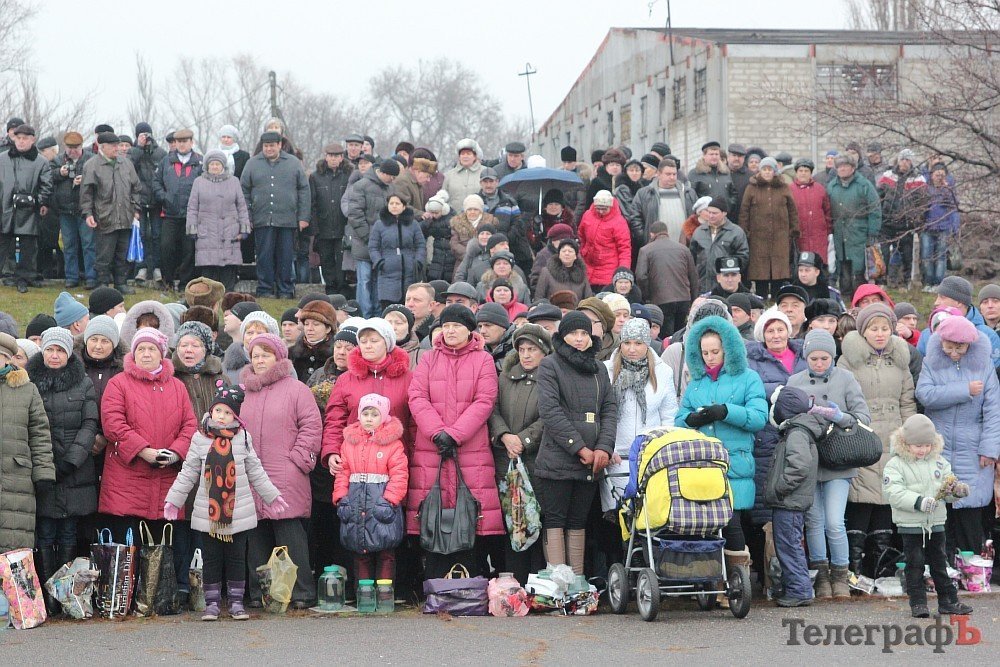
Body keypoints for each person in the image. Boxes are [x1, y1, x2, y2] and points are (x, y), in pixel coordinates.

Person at [165, 382, 287, 621]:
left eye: (228, 412)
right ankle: (211, 603)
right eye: (218, 411)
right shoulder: (200, 438)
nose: (221, 417)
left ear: (236, 416)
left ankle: (236, 602)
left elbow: (255, 470)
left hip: (238, 513)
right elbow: (189, 472)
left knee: (236, 558)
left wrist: (271, 496)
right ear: (211, 412)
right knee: (211, 558)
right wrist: (174, 500)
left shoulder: (242, 438)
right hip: (209, 513)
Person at [98, 328, 197, 600]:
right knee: (131, 540)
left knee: (167, 539)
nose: (145, 353)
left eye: (151, 349)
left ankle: (165, 595)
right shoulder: (119, 383)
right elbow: (113, 424)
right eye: (140, 349)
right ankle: (129, 596)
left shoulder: (177, 387)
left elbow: (190, 425)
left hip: (167, 476)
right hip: (128, 477)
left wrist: (175, 452)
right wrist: (143, 451)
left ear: (161, 354)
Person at [406, 304, 502, 578]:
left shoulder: (483, 360)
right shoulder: (428, 358)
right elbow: (417, 397)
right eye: (445, 326)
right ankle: (436, 585)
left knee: (468, 516)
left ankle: (467, 585)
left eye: (456, 326)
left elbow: (484, 401)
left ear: (470, 330)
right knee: (434, 514)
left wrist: (455, 434)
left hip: (470, 449)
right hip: (432, 447)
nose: (450, 331)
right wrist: (437, 432)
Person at [676, 315, 767, 577]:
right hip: (703, 466)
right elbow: (679, 419)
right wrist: (691, 420)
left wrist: (726, 411)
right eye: (704, 353)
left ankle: (738, 582)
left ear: (727, 349)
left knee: (732, 524)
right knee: (705, 526)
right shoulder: (696, 383)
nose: (710, 357)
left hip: (735, 463)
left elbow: (759, 417)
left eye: (715, 351)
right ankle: (710, 580)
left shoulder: (748, 378)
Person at [787, 329, 871, 599]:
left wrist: (839, 416)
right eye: (813, 358)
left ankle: (840, 576)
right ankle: (821, 577)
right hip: (809, 460)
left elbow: (863, 418)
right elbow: (782, 419)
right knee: (814, 521)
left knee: (834, 522)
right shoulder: (795, 381)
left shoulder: (846, 379)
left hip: (839, 459)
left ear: (832, 357)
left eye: (824, 358)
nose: (819, 363)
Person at [240, 333, 322, 608]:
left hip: (286, 473)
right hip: (252, 473)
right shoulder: (244, 391)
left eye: (266, 354)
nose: (260, 360)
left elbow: (311, 426)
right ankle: (260, 593)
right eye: (255, 355)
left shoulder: (296, 389)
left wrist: (297, 459)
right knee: (257, 535)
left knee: (290, 533)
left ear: (278, 357)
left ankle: (301, 593)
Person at [534, 311, 617, 575]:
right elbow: (550, 411)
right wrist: (579, 447)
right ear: (562, 336)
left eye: (584, 334)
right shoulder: (550, 365)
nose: (579, 339)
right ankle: (559, 582)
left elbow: (609, 409)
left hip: (592, 460)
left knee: (579, 521)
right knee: (556, 519)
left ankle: (578, 581)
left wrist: (604, 448)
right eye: (573, 334)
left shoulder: (599, 368)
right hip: (559, 458)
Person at [916, 316, 1000, 557]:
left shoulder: (984, 367)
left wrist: (990, 449)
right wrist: (964, 390)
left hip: (973, 447)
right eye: (948, 346)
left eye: (959, 347)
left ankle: (972, 567)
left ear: (970, 345)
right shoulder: (931, 363)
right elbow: (924, 395)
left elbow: (994, 411)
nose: (953, 353)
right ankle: (943, 568)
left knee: (969, 510)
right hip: (938, 445)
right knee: (941, 511)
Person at [26, 328, 97, 611]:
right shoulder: (29, 381)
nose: (54, 356)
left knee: (69, 531)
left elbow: (90, 424)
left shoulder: (83, 383)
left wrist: (71, 460)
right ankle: (46, 600)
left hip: (74, 470)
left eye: (60, 351)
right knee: (44, 532)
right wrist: (41, 463)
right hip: (40, 469)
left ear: (69, 354)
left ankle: (66, 597)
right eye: (50, 350)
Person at [883, 414, 974, 618]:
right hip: (911, 523)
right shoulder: (895, 464)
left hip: (936, 522)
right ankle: (918, 603)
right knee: (914, 564)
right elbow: (894, 493)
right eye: (917, 446)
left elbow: (946, 491)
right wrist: (919, 502)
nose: (923, 450)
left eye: (927, 445)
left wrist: (956, 491)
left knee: (940, 563)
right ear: (906, 443)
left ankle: (948, 601)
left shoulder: (940, 463)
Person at [488, 324, 551, 583]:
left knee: (535, 520)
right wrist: (504, 435)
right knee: (510, 522)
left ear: (544, 352)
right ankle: (513, 582)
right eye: (522, 349)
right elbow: (492, 409)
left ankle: (536, 583)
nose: (526, 355)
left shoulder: (550, 378)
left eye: (532, 350)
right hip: (507, 460)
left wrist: (523, 439)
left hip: (536, 461)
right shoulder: (505, 376)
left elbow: (550, 415)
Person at [745, 308, 806, 571]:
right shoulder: (753, 360)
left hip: (803, 435)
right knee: (766, 505)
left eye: (780, 329)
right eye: (770, 330)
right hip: (768, 438)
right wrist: (786, 391)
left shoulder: (803, 355)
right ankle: (766, 569)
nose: (776, 334)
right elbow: (753, 387)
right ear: (762, 335)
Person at [601, 318, 677, 515]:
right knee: (618, 515)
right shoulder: (606, 370)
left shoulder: (663, 372)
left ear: (647, 344)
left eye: (638, 343)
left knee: (647, 515)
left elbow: (668, 415)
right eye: (627, 343)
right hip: (615, 456)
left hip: (649, 457)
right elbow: (602, 413)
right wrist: (607, 447)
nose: (631, 349)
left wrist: (661, 450)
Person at [333, 392, 408, 584]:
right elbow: (343, 472)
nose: (369, 419)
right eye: (365, 414)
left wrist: (390, 500)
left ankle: (384, 593)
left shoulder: (393, 444)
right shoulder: (349, 443)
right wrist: (341, 497)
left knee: (386, 551)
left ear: (383, 417)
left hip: (381, 503)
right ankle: (364, 593)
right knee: (360, 551)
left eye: (374, 414)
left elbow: (399, 474)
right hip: (356, 503)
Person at [764, 385, 821, 608]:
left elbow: (799, 466)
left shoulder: (797, 433)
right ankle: (797, 588)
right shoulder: (797, 431)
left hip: (790, 501)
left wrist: (781, 487)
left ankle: (800, 590)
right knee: (789, 544)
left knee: (789, 545)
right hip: (790, 501)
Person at [0, 332, 55, 552]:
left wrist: (43, 474)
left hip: (16, 479)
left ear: (7, 359)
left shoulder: (26, 390)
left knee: (12, 549)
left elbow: (40, 433)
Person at [240, 131, 311, 300]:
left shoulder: (293, 163)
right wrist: (247, 218)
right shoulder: (252, 164)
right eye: (266, 146)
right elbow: (244, 191)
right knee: (264, 255)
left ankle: (286, 289)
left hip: (287, 219)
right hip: (262, 218)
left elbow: (304, 190)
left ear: (279, 145)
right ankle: (265, 288)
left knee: (286, 256)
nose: (269, 149)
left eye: (272, 145)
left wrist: (303, 217)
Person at [80, 131, 141, 294]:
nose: (118, 148)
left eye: (118, 145)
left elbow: (136, 188)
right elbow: (86, 193)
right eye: (114, 146)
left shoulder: (126, 164)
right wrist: (87, 214)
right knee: (104, 255)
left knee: (122, 253)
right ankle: (102, 284)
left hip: (126, 217)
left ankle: (121, 283)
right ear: (102, 147)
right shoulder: (92, 166)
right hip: (104, 217)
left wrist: (136, 209)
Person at [186, 150, 249, 291]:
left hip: (230, 232)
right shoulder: (199, 182)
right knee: (209, 273)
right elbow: (192, 207)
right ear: (207, 166)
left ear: (223, 166)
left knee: (228, 270)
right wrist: (192, 228)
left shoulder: (234, 182)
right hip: (207, 232)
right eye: (212, 164)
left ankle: (228, 300)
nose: (215, 167)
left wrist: (244, 228)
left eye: (218, 164)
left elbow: (242, 206)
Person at [0, 124, 53, 293]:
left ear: (32, 140)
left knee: (27, 246)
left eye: (25, 139)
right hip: (5, 207)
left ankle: (24, 278)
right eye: (18, 138)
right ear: (13, 138)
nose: (21, 142)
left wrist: (39, 201)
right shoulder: (2, 159)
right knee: (2, 244)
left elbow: (47, 185)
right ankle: (6, 275)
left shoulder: (41, 162)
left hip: (29, 210)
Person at [739, 157, 800, 299]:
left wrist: (793, 230)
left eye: (769, 169)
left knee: (778, 270)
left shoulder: (784, 187)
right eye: (764, 169)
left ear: (774, 171)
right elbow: (744, 212)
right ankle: (761, 298)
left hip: (780, 236)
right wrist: (744, 232)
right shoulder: (751, 188)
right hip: (757, 237)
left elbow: (792, 210)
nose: (767, 172)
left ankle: (776, 298)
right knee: (760, 271)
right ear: (760, 171)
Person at [826, 154, 882, 298]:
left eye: (846, 166)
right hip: (839, 233)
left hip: (859, 233)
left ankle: (860, 297)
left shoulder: (864, 185)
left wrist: (872, 233)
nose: (842, 169)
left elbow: (874, 209)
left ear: (853, 168)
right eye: (839, 166)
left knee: (859, 268)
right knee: (843, 265)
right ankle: (845, 296)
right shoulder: (832, 186)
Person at [154, 128, 203, 290]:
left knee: (189, 250)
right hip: (170, 213)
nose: (181, 145)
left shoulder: (200, 162)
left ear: (191, 142)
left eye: (184, 142)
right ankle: (167, 282)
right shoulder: (166, 161)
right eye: (178, 142)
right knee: (166, 247)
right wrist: (164, 197)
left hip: (192, 215)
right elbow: (156, 183)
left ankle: (185, 284)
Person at [348, 159, 398, 314]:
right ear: (383, 173)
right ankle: (364, 314)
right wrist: (370, 239)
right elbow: (355, 215)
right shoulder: (361, 186)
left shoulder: (390, 188)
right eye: (391, 177)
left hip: (383, 245)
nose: (393, 180)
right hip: (364, 244)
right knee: (365, 281)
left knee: (379, 281)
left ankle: (378, 314)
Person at [916, 275, 1000, 368]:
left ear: (959, 302)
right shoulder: (927, 334)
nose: (936, 302)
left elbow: (993, 375)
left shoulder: (988, 336)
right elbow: (920, 373)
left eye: (942, 297)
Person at [635, 221, 700, 334]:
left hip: (660, 300)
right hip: (684, 299)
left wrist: (647, 297)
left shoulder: (645, 250)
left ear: (651, 234)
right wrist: (694, 300)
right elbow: (693, 276)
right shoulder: (683, 249)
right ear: (667, 232)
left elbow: (641, 276)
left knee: (665, 337)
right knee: (682, 335)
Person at [876, 149, 928, 287]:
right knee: (884, 255)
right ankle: (883, 282)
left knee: (907, 256)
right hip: (887, 223)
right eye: (902, 159)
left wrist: (916, 221)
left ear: (912, 162)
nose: (904, 163)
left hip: (906, 225)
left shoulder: (919, 179)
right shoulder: (887, 176)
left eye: (907, 160)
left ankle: (905, 282)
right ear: (898, 161)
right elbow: (878, 196)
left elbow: (923, 203)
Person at [52, 131, 95, 288]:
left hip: (85, 210)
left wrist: (85, 180)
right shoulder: (57, 161)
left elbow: (98, 179)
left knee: (88, 244)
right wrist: (59, 173)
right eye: (69, 147)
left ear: (81, 146)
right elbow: (48, 177)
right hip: (65, 210)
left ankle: (91, 277)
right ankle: (71, 277)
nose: (72, 151)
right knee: (69, 245)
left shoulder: (90, 159)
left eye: (75, 147)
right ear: (65, 147)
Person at [310, 143, 353, 295]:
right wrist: (315, 228)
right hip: (324, 226)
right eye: (330, 156)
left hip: (343, 227)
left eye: (337, 156)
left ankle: (342, 290)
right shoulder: (316, 177)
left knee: (342, 260)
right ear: (326, 157)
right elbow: (312, 204)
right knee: (326, 260)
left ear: (342, 157)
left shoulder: (349, 176)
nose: (333, 159)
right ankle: (330, 289)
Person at [370, 193, 425, 309]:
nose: (394, 206)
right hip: (387, 272)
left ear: (404, 206)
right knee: (388, 308)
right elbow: (373, 247)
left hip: (409, 271)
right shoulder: (379, 225)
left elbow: (421, 245)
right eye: (391, 203)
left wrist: (418, 261)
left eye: (397, 203)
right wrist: (379, 262)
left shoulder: (413, 224)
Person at [128, 124, 166, 285]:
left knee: (157, 235)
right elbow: (128, 166)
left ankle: (157, 267)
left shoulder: (160, 153)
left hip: (156, 201)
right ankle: (141, 268)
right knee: (140, 235)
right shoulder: (133, 152)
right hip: (139, 200)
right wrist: (139, 147)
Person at [688, 197, 749, 293]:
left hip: (726, 286)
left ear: (724, 213)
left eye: (715, 213)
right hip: (703, 284)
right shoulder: (699, 232)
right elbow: (692, 256)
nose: (711, 216)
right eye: (709, 212)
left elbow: (743, 257)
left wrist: (729, 272)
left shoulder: (736, 232)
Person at [633, 157, 696, 245]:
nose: (672, 177)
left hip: (684, 247)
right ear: (658, 174)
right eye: (668, 174)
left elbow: (696, 216)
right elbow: (635, 218)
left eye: (674, 174)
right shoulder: (644, 193)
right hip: (656, 247)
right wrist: (644, 236)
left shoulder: (688, 193)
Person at [578, 190, 631, 292]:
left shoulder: (619, 222)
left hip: (608, 271)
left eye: (604, 209)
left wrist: (622, 273)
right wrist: (583, 251)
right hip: (587, 268)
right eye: (598, 208)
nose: (601, 212)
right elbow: (581, 236)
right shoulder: (587, 215)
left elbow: (624, 249)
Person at [921, 164, 959, 292]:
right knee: (926, 255)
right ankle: (928, 282)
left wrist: (947, 188)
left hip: (944, 228)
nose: (939, 178)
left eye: (942, 175)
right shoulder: (926, 190)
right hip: (927, 228)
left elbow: (954, 207)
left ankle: (939, 284)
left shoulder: (948, 190)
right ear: (931, 176)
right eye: (937, 175)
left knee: (941, 257)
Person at [789, 159, 832, 259]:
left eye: (806, 171)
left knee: (818, 265)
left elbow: (828, 212)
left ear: (811, 173)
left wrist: (829, 232)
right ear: (796, 173)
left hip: (819, 238)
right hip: (799, 238)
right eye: (801, 171)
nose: (803, 173)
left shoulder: (820, 189)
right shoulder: (789, 190)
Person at [290, 299, 338, 382]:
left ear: (328, 328)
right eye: (306, 324)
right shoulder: (291, 353)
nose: (309, 328)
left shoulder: (336, 355)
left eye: (316, 324)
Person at [421, 190, 455, 282]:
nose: (434, 216)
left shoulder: (451, 219)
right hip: (436, 253)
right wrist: (425, 223)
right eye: (432, 213)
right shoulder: (428, 221)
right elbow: (421, 232)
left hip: (449, 252)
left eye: (437, 213)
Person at [687, 141, 734, 207]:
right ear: (704, 156)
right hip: (704, 214)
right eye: (711, 154)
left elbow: (733, 194)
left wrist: (729, 206)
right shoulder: (695, 173)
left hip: (724, 215)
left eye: (716, 154)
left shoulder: (726, 172)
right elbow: (690, 196)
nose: (714, 157)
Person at [441, 138, 484, 204]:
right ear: (459, 157)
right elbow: (443, 197)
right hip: (454, 214)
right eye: (462, 154)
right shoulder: (448, 175)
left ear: (475, 156)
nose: (465, 156)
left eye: (468, 154)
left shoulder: (484, 172)